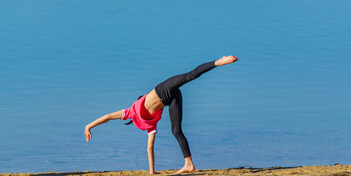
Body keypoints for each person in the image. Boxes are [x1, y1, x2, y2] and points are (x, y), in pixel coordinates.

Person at [84, 55, 238, 174]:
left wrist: (89, 126)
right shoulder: (150, 124)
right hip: (172, 99)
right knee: (176, 131)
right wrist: (151, 171)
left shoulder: (131, 112)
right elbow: (149, 148)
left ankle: (219, 62)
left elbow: (108, 117)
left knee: (189, 76)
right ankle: (189, 163)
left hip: (162, 89)